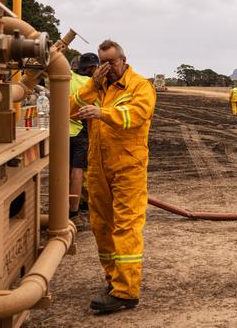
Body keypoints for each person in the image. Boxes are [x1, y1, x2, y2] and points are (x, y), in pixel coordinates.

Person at [70, 39, 157, 312]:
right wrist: (93, 85)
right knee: (101, 225)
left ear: (123, 59)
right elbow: (72, 108)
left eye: (111, 62)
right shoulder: (99, 86)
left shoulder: (140, 86)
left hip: (127, 167)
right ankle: (113, 279)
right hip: (98, 167)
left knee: (126, 226)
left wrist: (103, 112)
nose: (107, 67)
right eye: (102, 62)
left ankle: (127, 291)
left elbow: (137, 115)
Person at [68, 53, 99, 225]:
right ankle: (74, 212)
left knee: (62, 172)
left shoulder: (67, 76)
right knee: (78, 172)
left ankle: (61, 206)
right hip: (80, 132)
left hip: (60, 131)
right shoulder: (91, 84)